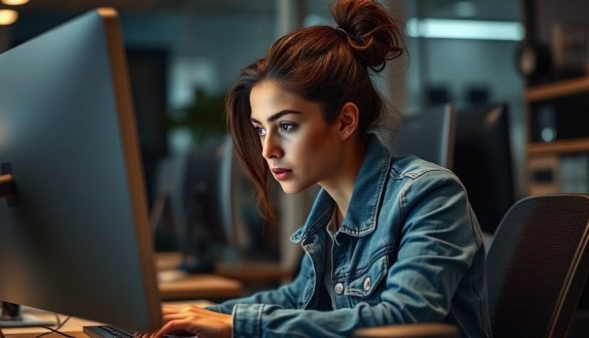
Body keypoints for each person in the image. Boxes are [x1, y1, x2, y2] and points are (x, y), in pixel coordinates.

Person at [143, 0, 492, 337]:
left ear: (344, 122)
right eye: (261, 129)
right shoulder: (328, 212)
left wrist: (239, 326)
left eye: (287, 126)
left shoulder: (431, 194)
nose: (268, 150)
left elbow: (404, 316)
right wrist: (204, 315)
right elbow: (296, 298)